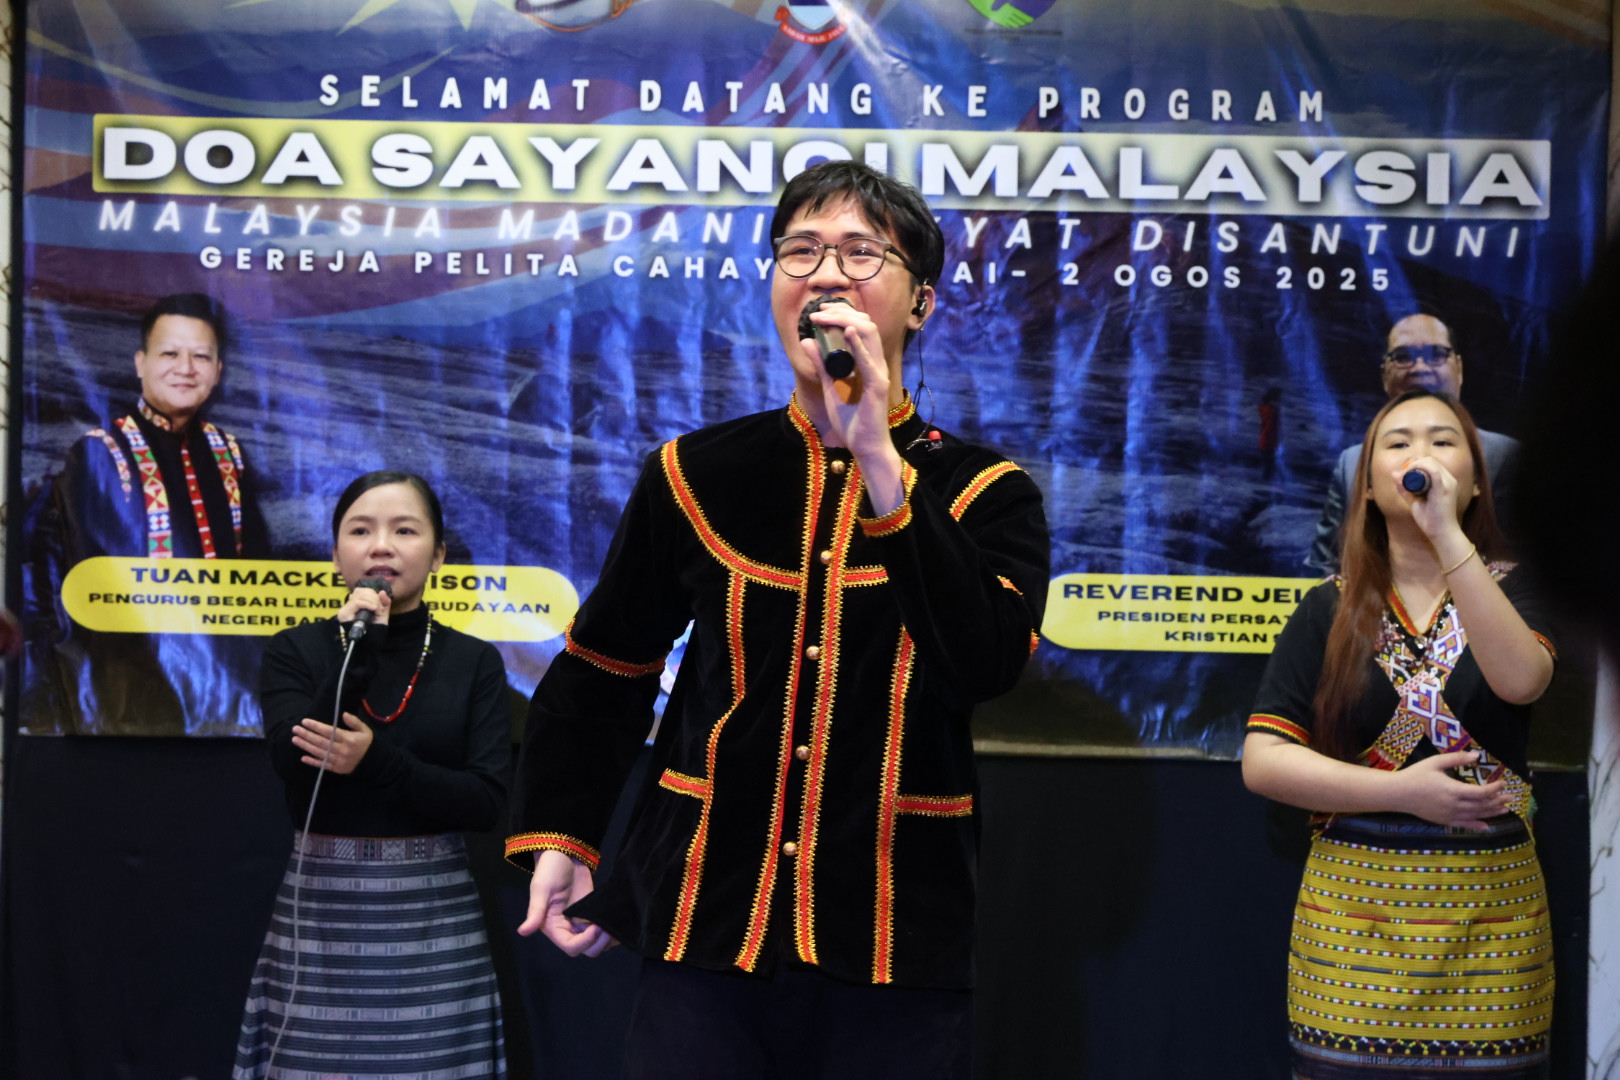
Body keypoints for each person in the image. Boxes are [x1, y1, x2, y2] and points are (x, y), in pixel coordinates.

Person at [505, 160, 1050, 1079]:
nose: (826, 273)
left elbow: (984, 664)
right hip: (705, 916)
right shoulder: (693, 473)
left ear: (919, 302)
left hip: (894, 928)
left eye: (861, 253)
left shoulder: (987, 492)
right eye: (801, 250)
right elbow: (605, 668)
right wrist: (564, 833)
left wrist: (881, 464)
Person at [1245, 389, 1556, 1078]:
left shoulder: (1519, 591)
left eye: (1443, 441)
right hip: (1353, 929)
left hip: (1491, 926)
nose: (1422, 454)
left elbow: (1521, 681)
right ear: (1366, 486)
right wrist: (1405, 794)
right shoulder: (1327, 606)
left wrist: (1446, 535)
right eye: (1398, 442)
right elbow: (1264, 761)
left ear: (1476, 481)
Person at [233, 471, 510, 1080]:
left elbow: (486, 801)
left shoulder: (474, 662)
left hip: (433, 916)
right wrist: (357, 650)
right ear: (336, 556)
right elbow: (293, 762)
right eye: (361, 531)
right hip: (322, 914)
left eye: (404, 531)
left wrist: (375, 761)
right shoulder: (295, 650)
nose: (381, 546)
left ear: (437, 554)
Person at [24, 292, 268, 734]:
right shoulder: (100, 453)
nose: (185, 368)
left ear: (218, 371)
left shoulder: (228, 452)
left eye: (201, 356)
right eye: (170, 353)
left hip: (228, 691)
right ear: (141, 363)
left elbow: (255, 566)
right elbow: (81, 586)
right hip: (131, 697)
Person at [1306, 314, 1519, 574]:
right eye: (1403, 356)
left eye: (1436, 354)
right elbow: (1326, 566)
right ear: (1385, 374)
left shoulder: (1506, 456)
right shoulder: (1352, 463)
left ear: (1459, 368)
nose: (1419, 368)